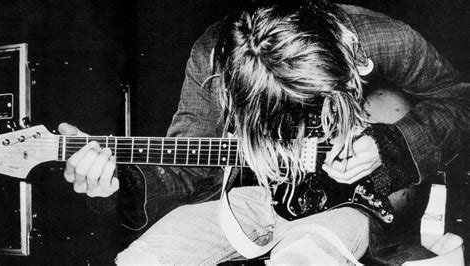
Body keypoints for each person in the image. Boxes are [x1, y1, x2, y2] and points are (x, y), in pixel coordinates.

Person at [60, 0, 470, 264]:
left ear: (354, 63)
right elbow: (190, 167)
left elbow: (459, 100)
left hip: (359, 206)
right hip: (258, 200)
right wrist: (118, 189)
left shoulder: (383, 37)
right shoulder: (212, 57)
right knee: (141, 259)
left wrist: (389, 145)